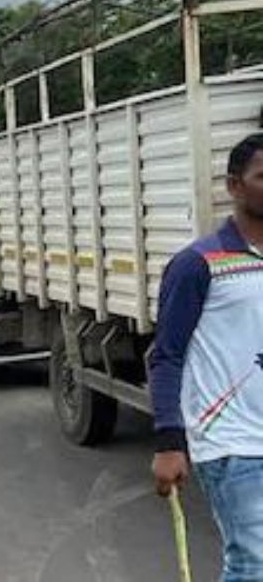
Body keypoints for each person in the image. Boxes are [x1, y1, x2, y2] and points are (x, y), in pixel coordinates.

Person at [151, 132, 263, 581]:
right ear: (235, 186)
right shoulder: (198, 263)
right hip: (233, 443)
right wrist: (169, 442)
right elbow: (167, 356)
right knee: (254, 564)